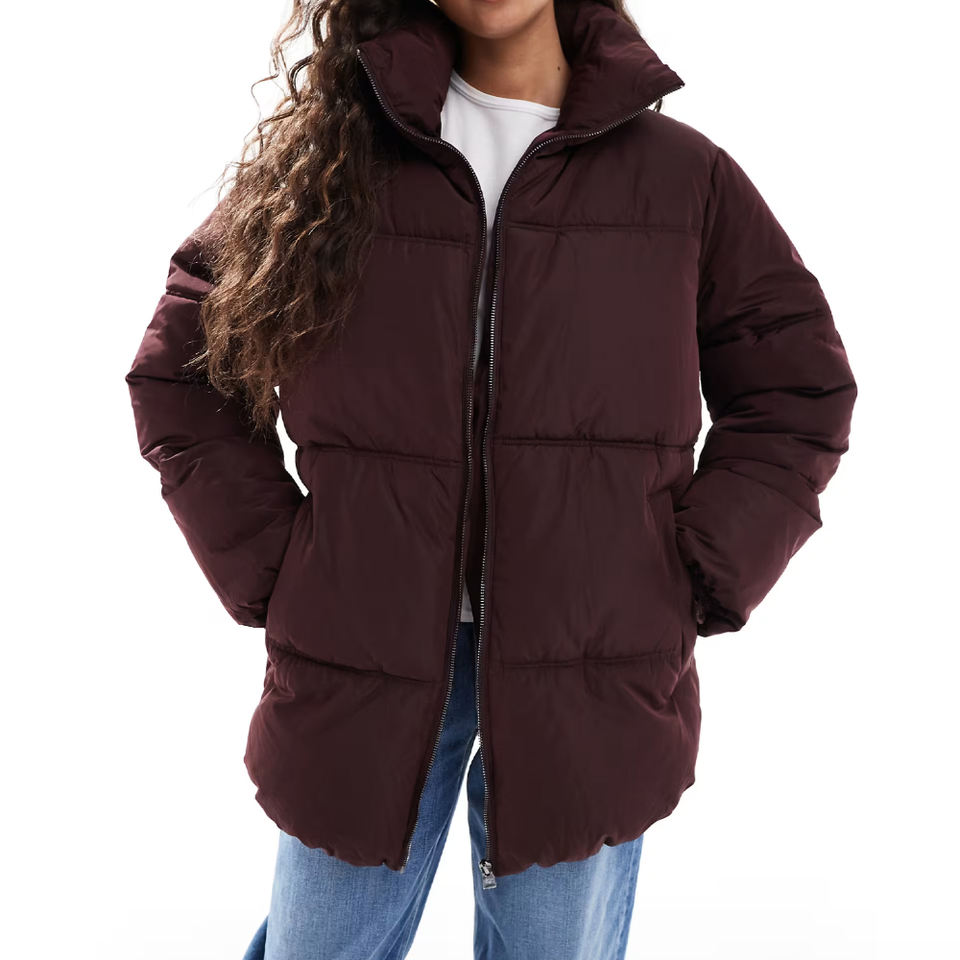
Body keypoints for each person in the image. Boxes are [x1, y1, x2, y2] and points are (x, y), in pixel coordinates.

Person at [124, 0, 857, 957]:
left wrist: (692, 571)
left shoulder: (684, 179)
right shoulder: (331, 161)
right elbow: (184, 373)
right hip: (361, 646)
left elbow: (796, 388)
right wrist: (283, 563)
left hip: (592, 657)